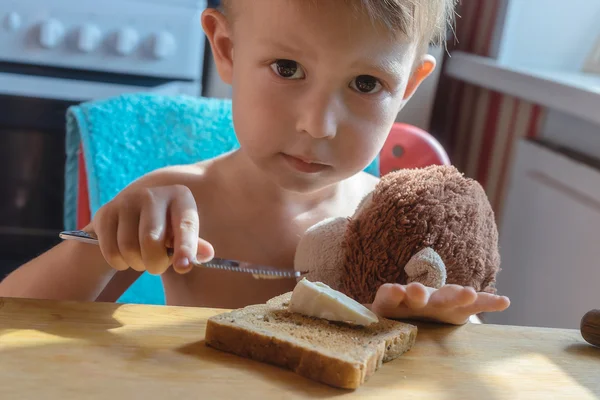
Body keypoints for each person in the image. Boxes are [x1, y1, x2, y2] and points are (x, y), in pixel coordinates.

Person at [0, 0, 509, 325]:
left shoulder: (398, 229)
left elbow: (459, 362)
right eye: (288, 69)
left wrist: (429, 325)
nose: (318, 125)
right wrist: (102, 245)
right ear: (227, 47)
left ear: (408, 89)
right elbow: (13, 318)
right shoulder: (179, 200)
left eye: (366, 84)